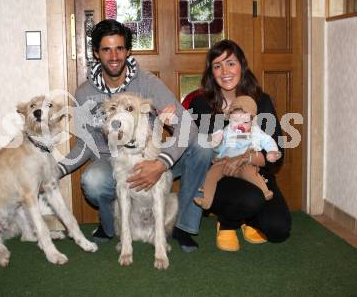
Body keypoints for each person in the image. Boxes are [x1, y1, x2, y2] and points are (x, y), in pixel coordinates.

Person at [56, 19, 213, 252]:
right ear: (97, 53)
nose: (114, 56)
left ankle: (184, 226)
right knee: (93, 181)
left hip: (151, 154)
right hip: (114, 161)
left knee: (202, 146)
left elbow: (187, 125)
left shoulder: (147, 82)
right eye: (106, 49)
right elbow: (84, 144)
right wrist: (56, 170)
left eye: (119, 48)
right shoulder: (85, 92)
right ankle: (110, 226)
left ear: (128, 51)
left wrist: (161, 163)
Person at [189, 39, 291, 251]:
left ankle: (248, 219)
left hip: (255, 171)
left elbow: (276, 150)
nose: (224, 71)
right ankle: (228, 223)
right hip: (221, 176)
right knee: (250, 198)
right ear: (211, 72)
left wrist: (246, 158)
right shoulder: (201, 104)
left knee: (278, 228)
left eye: (231, 63)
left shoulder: (261, 101)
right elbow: (201, 150)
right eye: (217, 65)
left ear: (242, 66)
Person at [193, 95, 281, 210]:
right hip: (225, 162)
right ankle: (206, 200)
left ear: (252, 120)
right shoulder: (227, 131)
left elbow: (268, 141)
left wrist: (272, 151)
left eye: (245, 121)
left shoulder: (256, 132)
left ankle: (265, 191)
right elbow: (219, 148)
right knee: (211, 174)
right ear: (229, 118)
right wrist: (215, 142)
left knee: (251, 173)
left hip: (245, 163)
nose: (240, 125)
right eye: (235, 121)